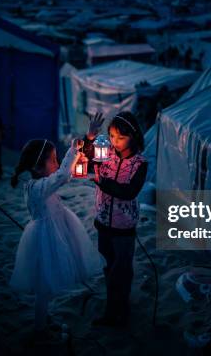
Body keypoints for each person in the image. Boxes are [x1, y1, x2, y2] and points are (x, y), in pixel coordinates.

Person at [10, 139, 100, 339]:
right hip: (47, 239)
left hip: (55, 231)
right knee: (44, 286)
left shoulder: (40, 184)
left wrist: (79, 150)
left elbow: (63, 175)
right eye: (52, 160)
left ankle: (43, 320)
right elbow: (62, 175)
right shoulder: (38, 188)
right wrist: (75, 147)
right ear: (38, 167)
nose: (57, 163)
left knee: (47, 286)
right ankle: (40, 328)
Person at [82, 111, 148, 327]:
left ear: (134, 136)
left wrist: (102, 183)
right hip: (102, 222)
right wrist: (90, 137)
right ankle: (113, 307)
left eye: (121, 137)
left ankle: (120, 311)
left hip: (124, 227)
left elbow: (129, 192)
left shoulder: (139, 163)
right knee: (108, 267)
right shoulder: (106, 153)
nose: (115, 142)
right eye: (111, 136)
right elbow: (85, 156)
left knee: (122, 270)